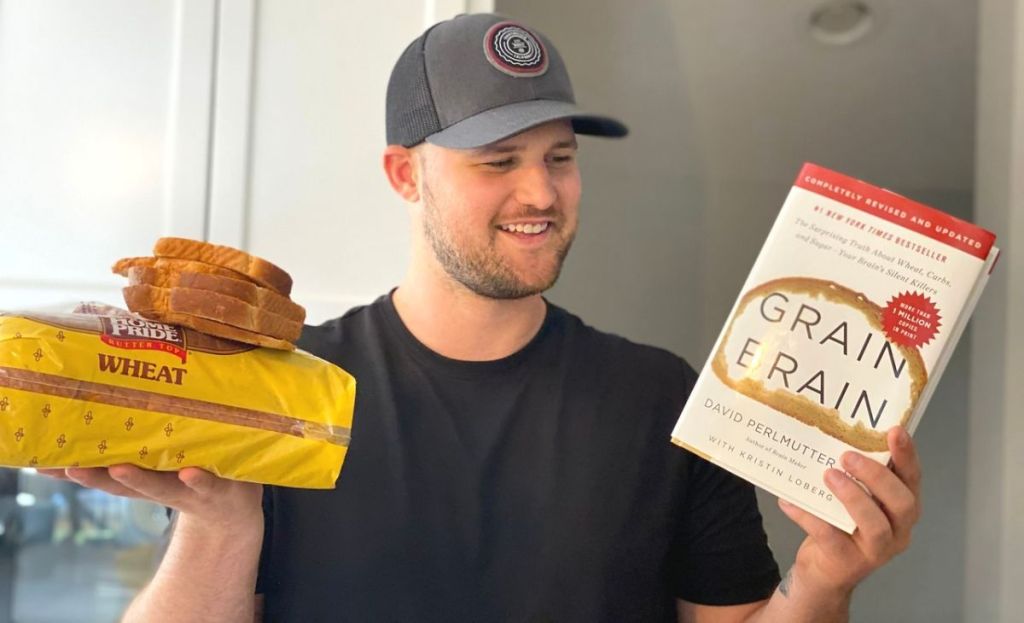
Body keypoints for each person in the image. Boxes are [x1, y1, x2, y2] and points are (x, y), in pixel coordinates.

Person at [42, 12, 921, 622]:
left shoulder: (664, 402)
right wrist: (220, 526)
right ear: (403, 174)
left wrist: (820, 583)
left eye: (560, 156)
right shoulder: (283, 388)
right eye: (497, 159)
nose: (540, 191)